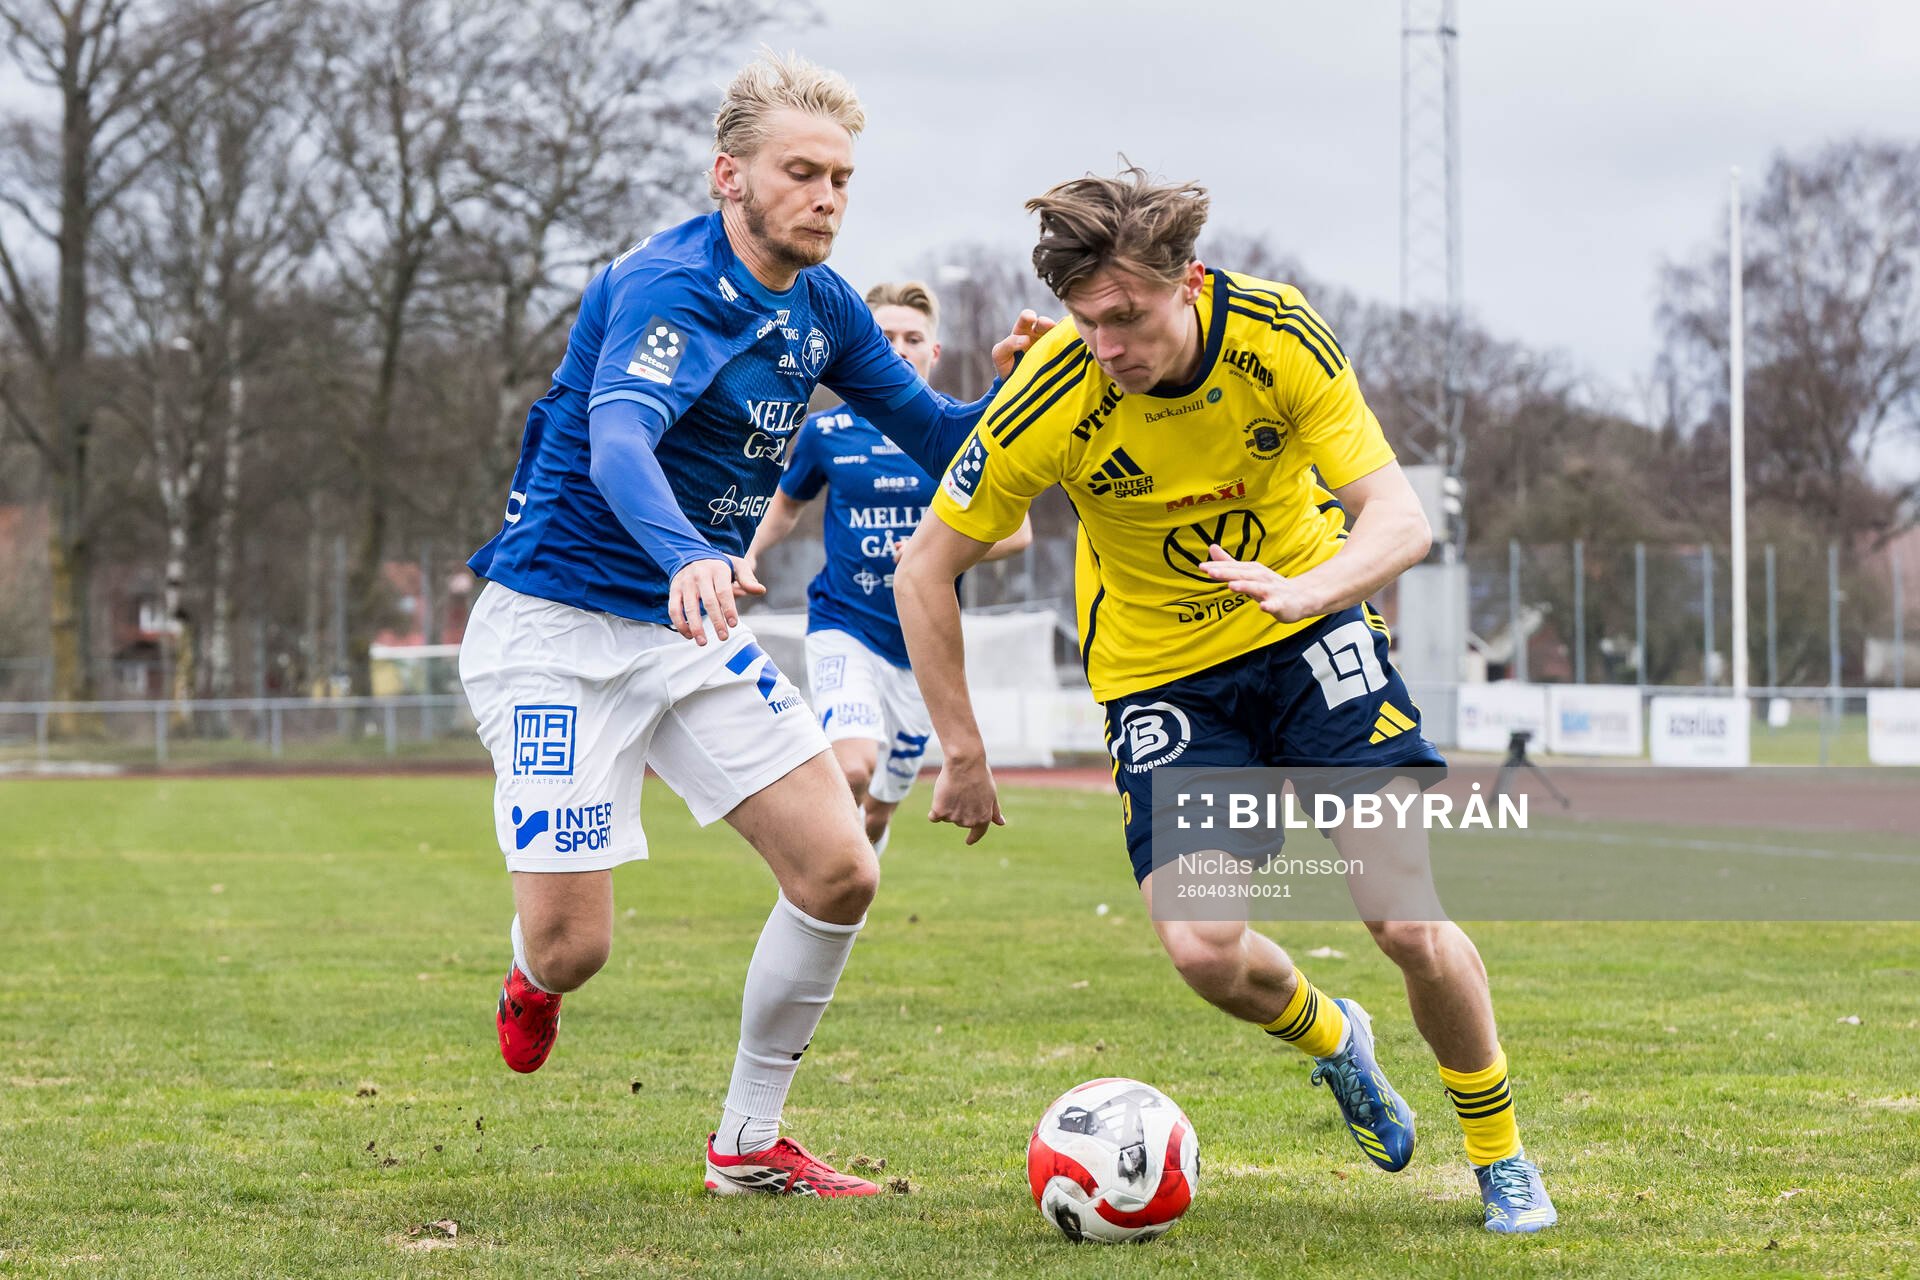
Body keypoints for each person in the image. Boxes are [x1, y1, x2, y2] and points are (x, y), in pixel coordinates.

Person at [894, 167, 1557, 1233]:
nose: (1108, 344)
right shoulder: (1051, 393)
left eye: (1129, 315)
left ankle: (1500, 1154)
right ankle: (1336, 1039)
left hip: (1313, 626)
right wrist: (962, 749)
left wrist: (1311, 588)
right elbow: (924, 569)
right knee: (1203, 948)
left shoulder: (1277, 332)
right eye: (1086, 320)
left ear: (1187, 282)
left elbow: (1398, 516)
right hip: (1164, 678)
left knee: (1404, 917)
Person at [459, 51, 1046, 1199]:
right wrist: (687, 552)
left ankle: (747, 1140)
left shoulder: (825, 303)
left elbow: (940, 440)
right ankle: (533, 976)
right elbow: (620, 436)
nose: (827, 197)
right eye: (801, 172)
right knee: (577, 947)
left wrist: (1022, 394)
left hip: (689, 626)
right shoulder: (666, 285)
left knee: (839, 869)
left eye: (841, 177)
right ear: (731, 175)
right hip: (556, 632)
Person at [743, 281, 1033, 855]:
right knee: (852, 767)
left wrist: (936, 551)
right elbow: (784, 507)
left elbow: (1017, 532)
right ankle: (813, 883)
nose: (899, 348)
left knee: (877, 807)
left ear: (935, 352)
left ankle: (844, 880)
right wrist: (746, 552)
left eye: (913, 337)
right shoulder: (826, 433)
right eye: (884, 337)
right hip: (842, 625)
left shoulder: (963, 435)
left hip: (924, 646)